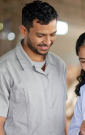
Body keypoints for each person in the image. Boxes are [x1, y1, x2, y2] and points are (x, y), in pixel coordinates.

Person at [0, 1, 68, 135]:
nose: (48, 42)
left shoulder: (60, 66)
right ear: (24, 31)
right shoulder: (5, 69)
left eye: (53, 34)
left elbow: (61, 114)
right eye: (40, 35)